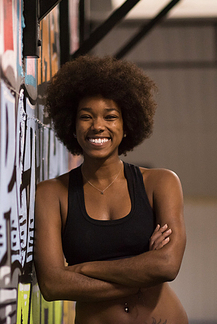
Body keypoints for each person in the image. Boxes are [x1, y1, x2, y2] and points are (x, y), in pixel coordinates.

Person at [34, 55, 187, 324]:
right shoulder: (50, 194)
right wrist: (141, 274)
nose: (98, 126)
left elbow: (167, 265)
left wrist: (83, 269)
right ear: (72, 125)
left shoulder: (161, 183)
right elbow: (53, 284)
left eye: (110, 116)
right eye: (86, 117)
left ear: (127, 125)